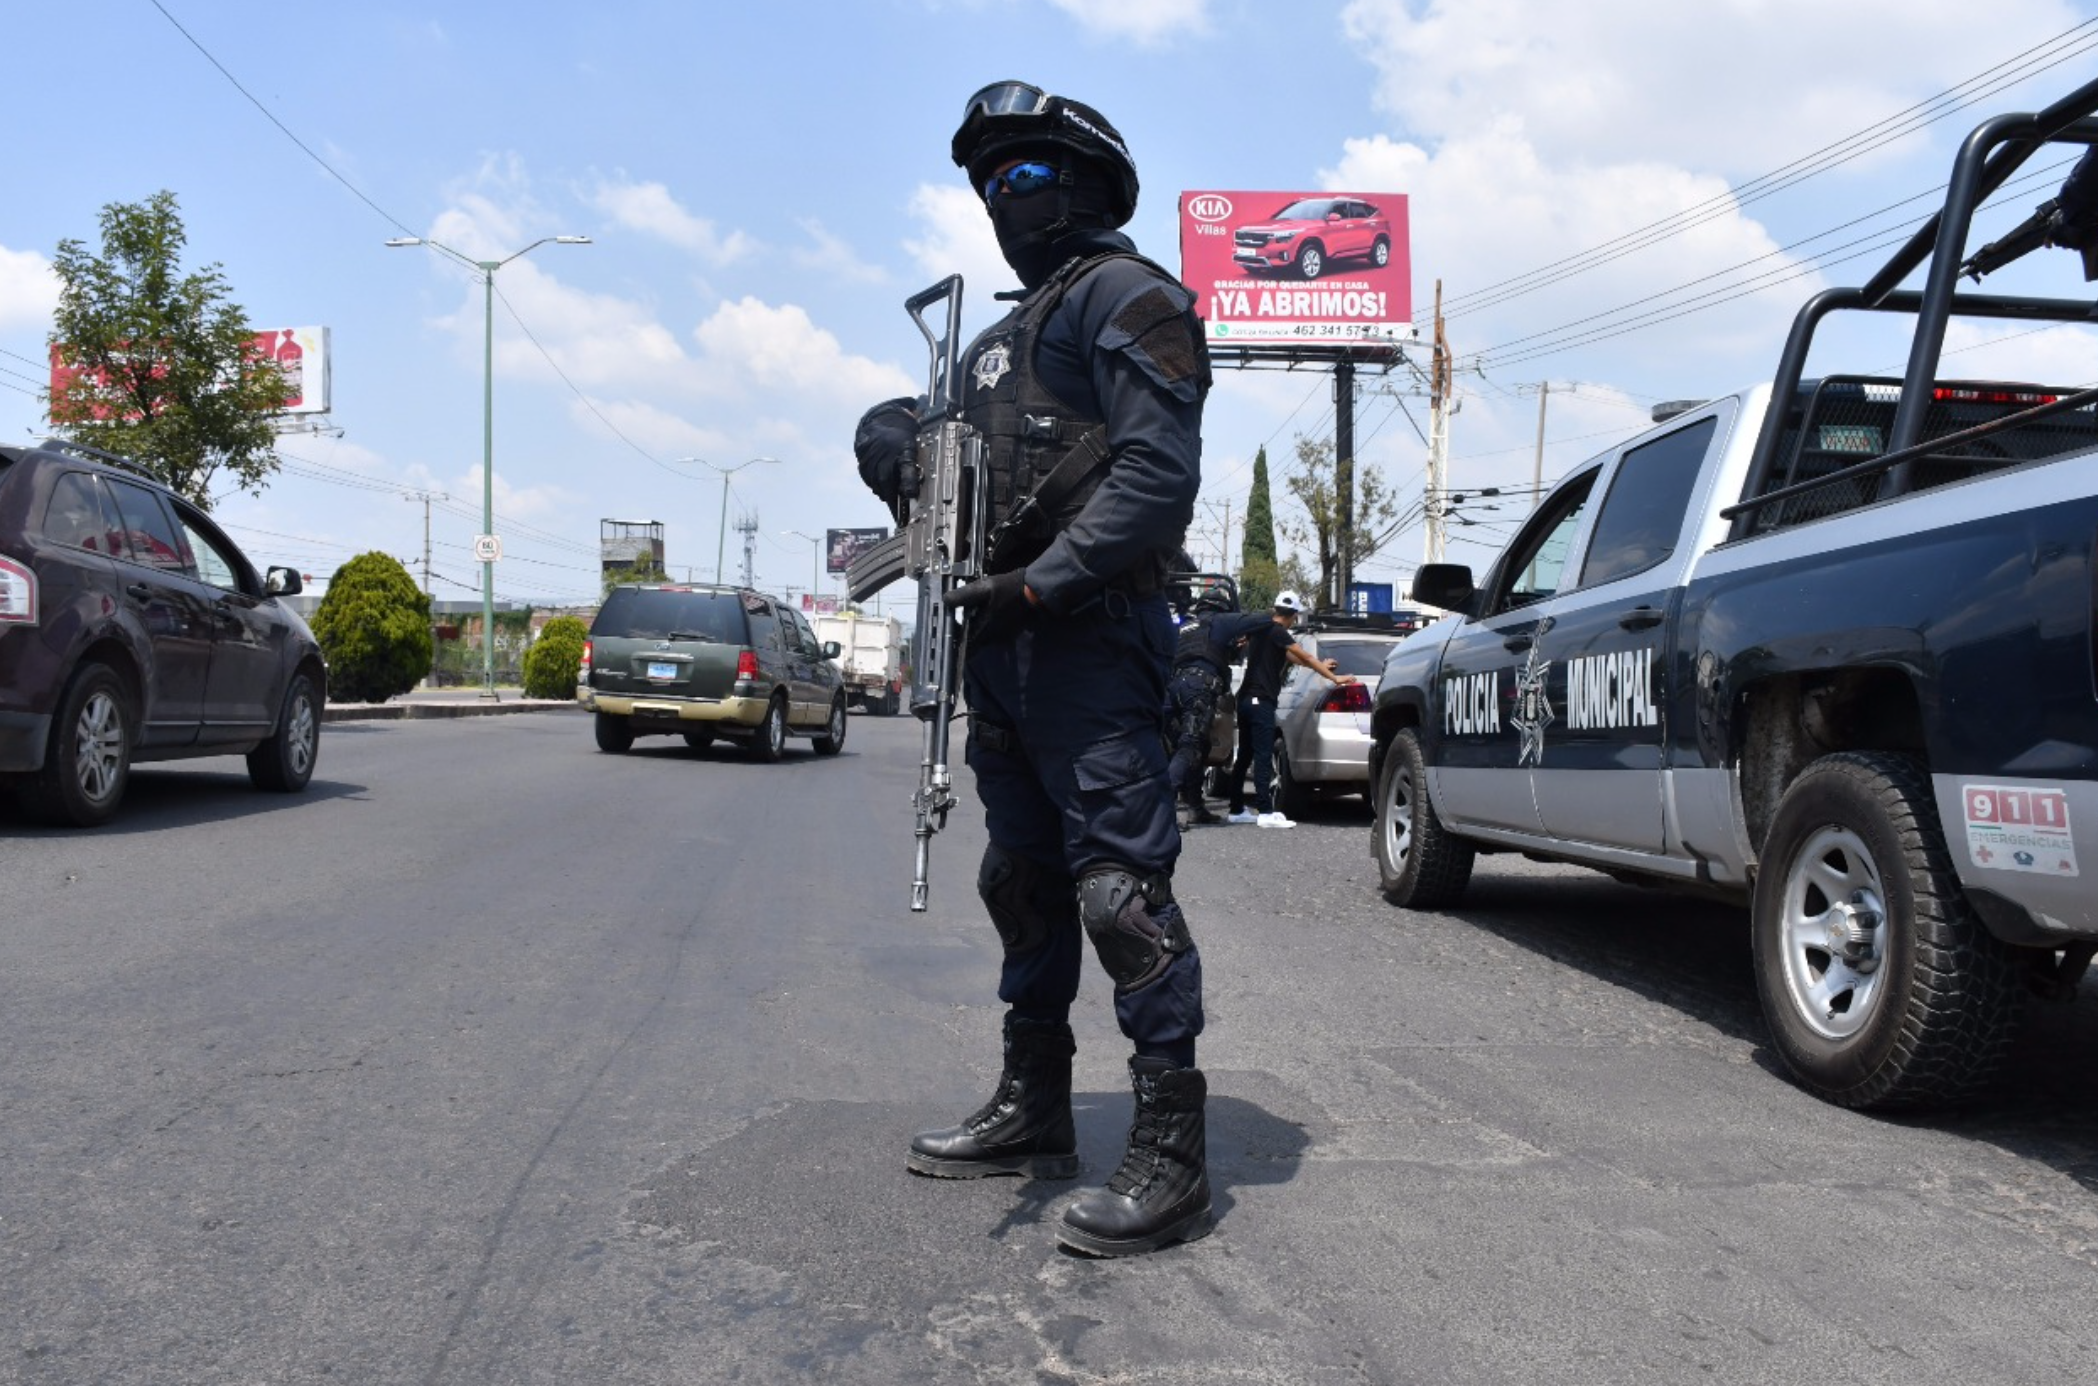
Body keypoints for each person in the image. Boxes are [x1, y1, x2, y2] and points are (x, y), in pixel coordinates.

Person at [852, 81, 1213, 1257]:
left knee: (1118, 894)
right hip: (999, 655)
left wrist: (1041, 583)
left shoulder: (1131, 296)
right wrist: (899, 446)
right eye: (988, 183)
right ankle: (1036, 1103)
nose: (1003, 200)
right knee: (1021, 884)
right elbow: (952, 490)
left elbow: (1156, 481)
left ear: (1089, 182)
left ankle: (1171, 1147)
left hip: (1091, 643)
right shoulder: (997, 342)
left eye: (1026, 176)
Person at [1225, 591, 1355, 828]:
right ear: (1293, 615)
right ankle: (1265, 812)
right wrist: (1335, 678)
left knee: (1244, 754)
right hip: (1259, 700)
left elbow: (1295, 658)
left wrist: (1320, 666)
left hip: (1245, 699)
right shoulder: (1278, 632)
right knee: (1263, 754)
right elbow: (1303, 654)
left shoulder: (1262, 630)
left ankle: (1236, 809)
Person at [1164, 587, 1271, 823]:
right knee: (1190, 746)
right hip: (1198, 687)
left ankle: (1195, 807)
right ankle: (1164, 810)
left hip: (1171, 689)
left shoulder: (1182, 627)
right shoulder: (1221, 621)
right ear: (1222, 609)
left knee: (1195, 747)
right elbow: (1263, 620)